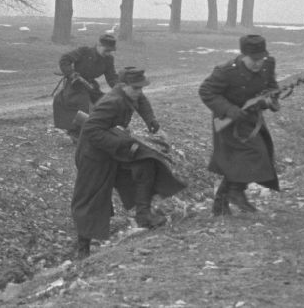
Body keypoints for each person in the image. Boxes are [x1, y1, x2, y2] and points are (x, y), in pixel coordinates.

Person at [71, 67, 180, 260]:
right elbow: (90, 130)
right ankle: (83, 249)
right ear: (122, 86)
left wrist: (149, 118)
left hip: (111, 144)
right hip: (93, 155)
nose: (140, 92)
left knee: (146, 164)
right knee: (90, 198)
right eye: (136, 88)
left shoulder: (130, 94)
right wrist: (124, 143)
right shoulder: (113, 102)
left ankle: (144, 215)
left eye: (141, 88)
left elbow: (141, 100)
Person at [199, 34, 281, 215]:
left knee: (252, 156)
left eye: (261, 58)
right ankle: (235, 193)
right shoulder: (226, 71)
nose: (258, 63)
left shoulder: (268, 64)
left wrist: (269, 99)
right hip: (229, 122)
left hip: (251, 119)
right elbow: (206, 91)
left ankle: (221, 204)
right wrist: (230, 110)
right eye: (254, 59)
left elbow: (271, 87)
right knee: (252, 154)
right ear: (243, 55)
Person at [53, 33, 120, 142]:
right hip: (75, 84)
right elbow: (65, 59)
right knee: (81, 104)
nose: (108, 53)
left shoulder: (108, 59)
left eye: (110, 51)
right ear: (98, 45)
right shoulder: (84, 51)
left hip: (91, 86)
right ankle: (75, 132)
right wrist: (71, 73)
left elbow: (112, 77)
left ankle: (101, 130)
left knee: (105, 103)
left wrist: (120, 89)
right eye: (106, 50)